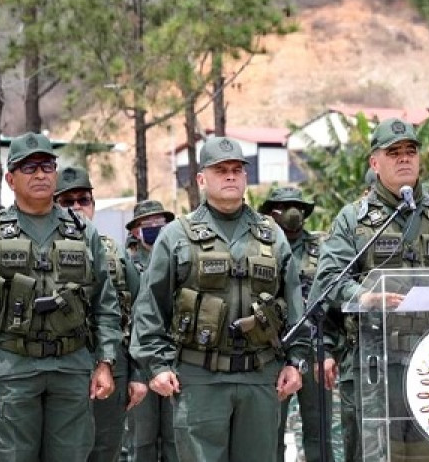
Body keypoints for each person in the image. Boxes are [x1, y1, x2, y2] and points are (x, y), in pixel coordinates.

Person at [309, 117, 429, 461]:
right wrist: (363, 297)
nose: (404, 158)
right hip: (375, 365)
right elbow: (328, 280)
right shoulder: (354, 220)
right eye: (394, 153)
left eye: (411, 151)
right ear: (375, 163)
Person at [0, 132, 122, 461]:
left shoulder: (85, 234)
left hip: (71, 369)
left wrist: (105, 362)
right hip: (12, 371)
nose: (40, 174)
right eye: (29, 168)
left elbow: (105, 306)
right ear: (10, 179)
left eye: (46, 166)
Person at [130, 136, 306, 462]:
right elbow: (150, 306)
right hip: (199, 379)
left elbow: (294, 303)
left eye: (236, 170)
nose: (229, 176)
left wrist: (296, 362)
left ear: (244, 177)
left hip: (260, 375)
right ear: (201, 179)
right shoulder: (177, 235)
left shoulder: (271, 234)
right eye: (220, 170)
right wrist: (156, 365)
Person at [53, 166, 147, 462]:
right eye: (67, 202)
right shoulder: (41, 250)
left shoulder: (117, 254)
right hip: (59, 367)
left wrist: (138, 373)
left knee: (105, 449)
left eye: (83, 200)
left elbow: (141, 314)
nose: (77, 208)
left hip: (111, 368)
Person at [258, 187, 333, 462]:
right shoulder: (261, 248)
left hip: (315, 349)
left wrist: (330, 351)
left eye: (297, 206)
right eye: (284, 205)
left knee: (319, 431)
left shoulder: (324, 248)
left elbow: (333, 299)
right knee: (271, 433)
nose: (291, 212)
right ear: (271, 212)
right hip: (272, 350)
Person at [125, 199, 177, 462]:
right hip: (139, 365)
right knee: (141, 442)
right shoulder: (128, 265)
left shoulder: (176, 262)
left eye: (161, 222)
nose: (156, 227)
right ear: (135, 231)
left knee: (174, 439)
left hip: (172, 361)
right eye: (148, 224)